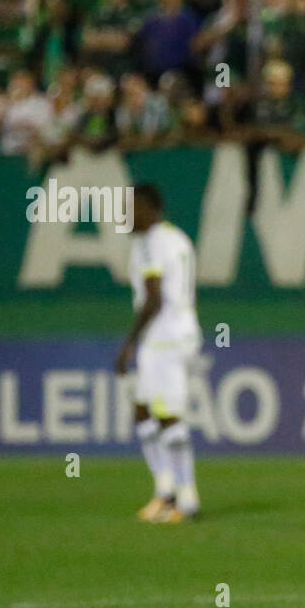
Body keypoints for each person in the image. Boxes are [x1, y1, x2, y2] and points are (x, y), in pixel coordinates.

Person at [116, 183, 203, 523]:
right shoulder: (177, 238)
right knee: (143, 410)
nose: (125, 214)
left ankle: (187, 498)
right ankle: (165, 492)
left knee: (168, 415)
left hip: (165, 338)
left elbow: (154, 298)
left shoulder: (152, 242)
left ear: (149, 207)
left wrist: (128, 342)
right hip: (171, 335)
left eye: (131, 207)